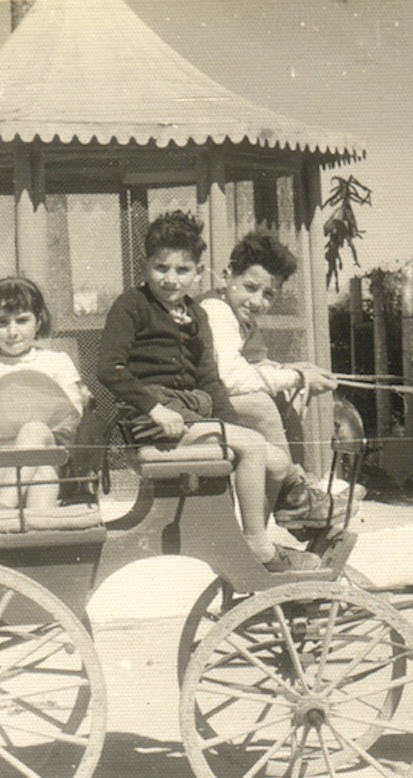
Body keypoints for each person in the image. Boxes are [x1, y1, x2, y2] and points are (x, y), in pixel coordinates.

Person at [97, 210, 324, 572]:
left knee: (277, 460)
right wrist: (155, 408)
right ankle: (256, 546)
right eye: (161, 268)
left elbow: (209, 381)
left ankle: (249, 536)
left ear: (199, 273)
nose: (171, 279)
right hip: (152, 424)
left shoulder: (196, 316)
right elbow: (110, 368)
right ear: (145, 266)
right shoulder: (132, 306)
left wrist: (232, 427)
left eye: (182, 270)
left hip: (190, 418)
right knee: (251, 447)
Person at [200, 229, 361, 529]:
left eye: (269, 294)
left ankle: (291, 501)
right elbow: (232, 378)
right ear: (226, 275)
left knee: (273, 398)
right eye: (250, 287)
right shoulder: (217, 311)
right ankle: (293, 497)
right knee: (260, 405)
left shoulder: (237, 315)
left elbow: (250, 366)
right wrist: (294, 376)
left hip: (211, 400)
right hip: (193, 404)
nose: (258, 301)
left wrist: (293, 372)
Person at [0, 276, 88, 511]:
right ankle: (38, 543)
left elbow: (72, 415)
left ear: (38, 321)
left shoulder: (56, 362)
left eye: (22, 320)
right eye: (2, 322)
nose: (12, 331)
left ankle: (4, 508)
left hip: (50, 449)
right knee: (43, 474)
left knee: (34, 431)